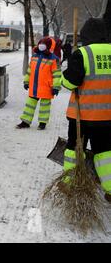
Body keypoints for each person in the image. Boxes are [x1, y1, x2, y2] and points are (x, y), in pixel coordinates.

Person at [60, 18, 111, 203]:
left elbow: (69, 83)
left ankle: (69, 183)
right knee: (105, 152)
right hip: (107, 117)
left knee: (74, 149)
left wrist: (66, 74)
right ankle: (110, 189)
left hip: (82, 116)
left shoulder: (82, 53)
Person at [16, 36, 61, 130]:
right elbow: (29, 71)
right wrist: (26, 81)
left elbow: (57, 74)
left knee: (44, 107)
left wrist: (56, 87)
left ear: (49, 46)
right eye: (40, 44)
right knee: (29, 105)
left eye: (44, 44)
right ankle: (25, 121)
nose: (41, 46)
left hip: (47, 87)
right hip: (34, 86)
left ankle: (42, 123)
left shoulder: (54, 59)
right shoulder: (34, 56)